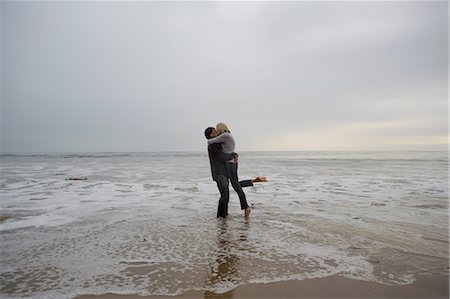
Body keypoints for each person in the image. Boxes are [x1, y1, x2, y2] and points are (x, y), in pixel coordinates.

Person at [206, 124, 267, 218]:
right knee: (225, 194)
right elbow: (221, 157)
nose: (216, 132)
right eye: (214, 131)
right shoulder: (213, 146)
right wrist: (233, 156)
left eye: (216, 130)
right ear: (210, 135)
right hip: (219, 173)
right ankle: (221, 216)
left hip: (224, 170)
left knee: (231, 188)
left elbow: (226, 151)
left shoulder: (219, 142)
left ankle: (223, 216)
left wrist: (233, 155)